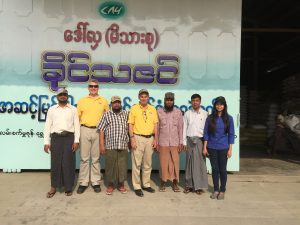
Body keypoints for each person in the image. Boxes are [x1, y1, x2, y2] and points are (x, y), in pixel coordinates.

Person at [44, 88, 80, 198]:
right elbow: (47, 126)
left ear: (67, 96)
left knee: (68, 163)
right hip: (55, 138)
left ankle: (68, 187)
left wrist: (76, 141)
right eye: (61, 95)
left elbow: (77, 125)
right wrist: (46, 142)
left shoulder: (73, 109)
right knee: (55, 163)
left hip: (69, 137)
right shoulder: (52, 109)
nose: (63, 96)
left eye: (65, 94)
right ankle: (53, 186)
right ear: (57, 97)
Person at [77, 79, 109, 194]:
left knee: (96, 158)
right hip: (84, 129)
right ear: (88, 88)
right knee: (84, 158)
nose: (93, 88)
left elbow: (107, 118)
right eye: (91, 86)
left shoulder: (104, 101)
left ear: (98, 88)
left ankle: (95, 181)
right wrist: (78, 135)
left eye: (95, 86)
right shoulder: (82, 101)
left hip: (98, 131)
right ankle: (83, 182)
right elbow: (77, 118)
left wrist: (104, 136)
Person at [203, 96, 235, 200]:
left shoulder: (229, 118)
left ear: (224, 106)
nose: (219, 106)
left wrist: (230, 149)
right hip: (212, 147)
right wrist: (205, 147)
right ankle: (216, 190)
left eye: (221, 104)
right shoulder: (210, 118)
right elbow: (206, 134)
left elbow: (231, 134)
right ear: (215, 105)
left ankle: (222, 190)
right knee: (214, 169)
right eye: (217, 104)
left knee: (222, 170)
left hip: (223, 147)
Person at [128, 89, 158, 197]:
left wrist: (155, 138)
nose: (143, 98)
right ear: (139, 98)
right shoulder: (134, 108)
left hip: (150, 138)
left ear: (148, 97)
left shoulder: (152, 109)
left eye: (145, 96)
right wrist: (132, 139)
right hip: (137, 137)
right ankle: (137, 186)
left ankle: (146, 184)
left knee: (148, 163)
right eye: (142, 96)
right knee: (136, 163)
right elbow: (130, 124)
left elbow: (155, 125)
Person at [97, 96, 129, 195]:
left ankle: (121, 184)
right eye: (115, 102)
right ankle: (110, 184)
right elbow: (101, 130)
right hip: (110, 145)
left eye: (118, 102)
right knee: (110, 165)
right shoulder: (106, 114)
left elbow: (130, 128)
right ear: (111, 104)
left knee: (122, 166)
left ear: (121, 104)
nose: (117, 104)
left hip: (123, 144)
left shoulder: (126, 114)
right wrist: (102, 145)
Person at [157, 92, 183, 192]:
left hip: (175, 142)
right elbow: (157, 128)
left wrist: (181, 142)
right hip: (162, 142)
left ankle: (175, 183)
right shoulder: (159, 111)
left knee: (175, 163)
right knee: (163, 164)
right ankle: (162, 183)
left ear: (173, 101)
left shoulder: (178, 112)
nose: (169, 102)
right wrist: (157, 142)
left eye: (171, 100)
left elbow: (180, 128)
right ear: (164, 100)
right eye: (167, 100)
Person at [183, 94, 208, 195]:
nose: (195, 102)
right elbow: (184, 128)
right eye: (193, 101)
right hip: (189, 140)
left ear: (200, 102)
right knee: (189, 163)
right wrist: (184, 142)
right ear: (191, 102)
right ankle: (188, 185)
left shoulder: (205, 114)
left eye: (197, 100)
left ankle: (198, 186)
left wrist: (206, 145)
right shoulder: (187, 113)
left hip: (200, 141)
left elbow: (207, 131)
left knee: (200, 164)